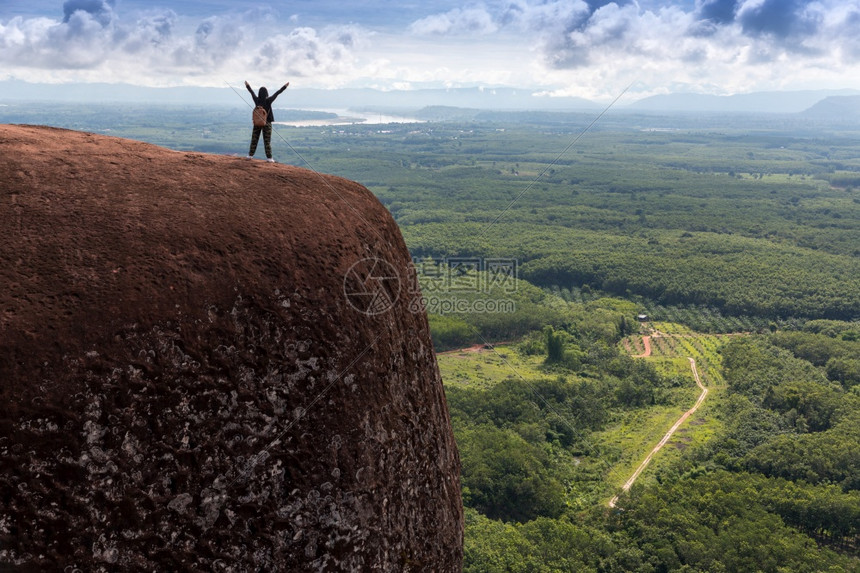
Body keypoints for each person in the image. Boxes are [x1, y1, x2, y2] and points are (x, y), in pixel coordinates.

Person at [245, 80, 289, 162]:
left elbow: (251, 92)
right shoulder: (269, 100)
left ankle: (250, 155)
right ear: (266, 93)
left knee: (254, 139)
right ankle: (269, 158)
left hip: (257, 123)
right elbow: (277, 93)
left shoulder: (256, 100)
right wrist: (285, 86)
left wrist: (247, 85)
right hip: (267, 123)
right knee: (267, 141)